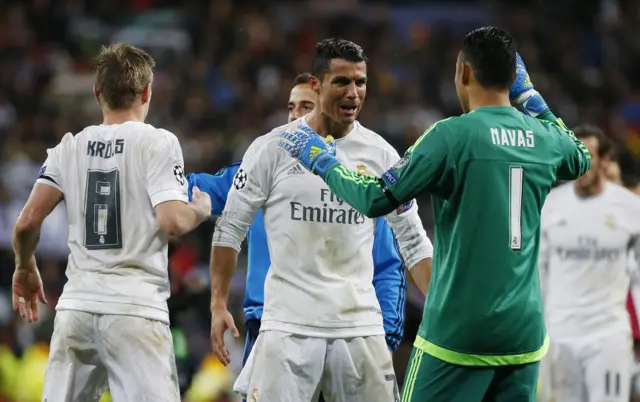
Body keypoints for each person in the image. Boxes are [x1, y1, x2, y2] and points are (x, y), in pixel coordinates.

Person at [279, 26, 591, 401]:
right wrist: (530, 97)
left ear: (463, 72)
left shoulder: (450, 136)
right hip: (523, 332)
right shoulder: (545, 139)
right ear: (514, 78)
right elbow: (580, 158)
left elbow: (376, 199)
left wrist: (322, 159)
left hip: (459, 332)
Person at [210, 38, 434, 402]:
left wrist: (441, 303)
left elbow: (412, 240)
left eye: (360, 82)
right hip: (288, 327)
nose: (353, 92)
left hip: (359, 325)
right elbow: (229, 228)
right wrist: (218, 304)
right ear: (316, 85)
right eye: (342, 82)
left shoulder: (381, 155)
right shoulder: (273, 148)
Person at [11, 43, 211, 401]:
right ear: (147, 91)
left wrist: (25, 265)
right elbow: (172, 222)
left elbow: (26, 223)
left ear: (97, 93)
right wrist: (200, 208)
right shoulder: (158, 142)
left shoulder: (69, 146)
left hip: (77, 307)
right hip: (134, 308)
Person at [187, 72, 408, 373]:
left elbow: (386, 266)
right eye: (291, 107)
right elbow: (194, 187)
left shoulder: (365, 186)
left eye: (305, 107)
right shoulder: (261, 169)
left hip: (343, 333)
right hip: (272, 326)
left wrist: (385, 335)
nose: (294, 117)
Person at [539, 124, 640, 402]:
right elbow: (538, 274)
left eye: (589, 156)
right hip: (559, 335)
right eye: (576, 155)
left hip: (608, 336)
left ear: (605, 160)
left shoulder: (630, 209)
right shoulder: (550, 206)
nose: (581, 163)